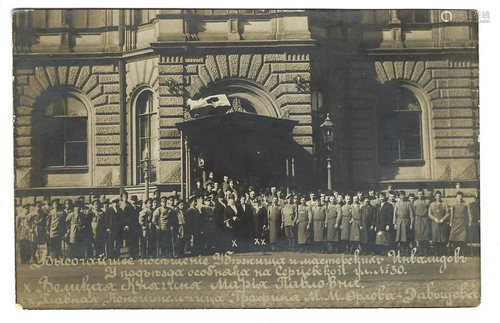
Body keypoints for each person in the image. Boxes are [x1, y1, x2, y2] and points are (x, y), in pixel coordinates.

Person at [449, 191, 471, 256]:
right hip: (455, 222)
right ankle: (456, 250)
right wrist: (451, 222)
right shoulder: (453, 205)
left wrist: (470, 222)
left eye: (461, 196)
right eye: (458, 196)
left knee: (463, 238)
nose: (460, 198)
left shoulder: (466, 204)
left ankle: (462, 252)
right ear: (456, 197)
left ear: (462, 197)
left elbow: (469, 214)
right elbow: (452, 215)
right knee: (453, 237)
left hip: (463, 222)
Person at [428, 191, 450, 256]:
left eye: (439, 196)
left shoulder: (444, 204)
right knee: (435, 237)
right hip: (435, 223)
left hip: (442, 223)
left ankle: (443, 251)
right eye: (437, 196)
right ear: (435, 197)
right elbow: (429, 213)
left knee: (443, 237)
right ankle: (436, 252)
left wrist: (443, 219)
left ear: (441, 196)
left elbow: (448, 213)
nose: (438, 197)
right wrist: (434, 218)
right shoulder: (432, 204)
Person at [393, 190, 415, 256]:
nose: (402, 196)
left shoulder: (408, 203)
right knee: (400, 237)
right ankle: (402, 250)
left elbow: (411, 214)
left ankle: (407, 250)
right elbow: (394, 214)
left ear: (405, 195)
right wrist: (395, 223)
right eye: (401, 195)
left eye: (403, 195)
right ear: (399, 196)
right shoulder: (397, 203)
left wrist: (411, 224)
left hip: (406, 221)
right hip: (399, 221)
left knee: (406, 236)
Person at [413, 189, 431, 256]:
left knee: (425, 235)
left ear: (423, 194)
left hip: (425, 219)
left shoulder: (427, 202)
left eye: (421, 194)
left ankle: (426, 250)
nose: (420, 196)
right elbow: (414, 211)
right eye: (419, 194)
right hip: (418, 219)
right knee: (419, 235)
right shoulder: (415, 202)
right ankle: (420, 251)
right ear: (417, 194)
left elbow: (429, 211)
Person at [124, 195, 141, 259]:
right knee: (131, 240)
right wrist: (126, 225)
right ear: (130, 201)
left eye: (135, 200)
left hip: (136, 226)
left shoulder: (139, 208)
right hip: (130, 226)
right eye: (132, 200)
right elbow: (124, 217)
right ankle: (131, 254)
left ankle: (136, 254)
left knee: (136, 240)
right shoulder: (127, 208)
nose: (134, 201)